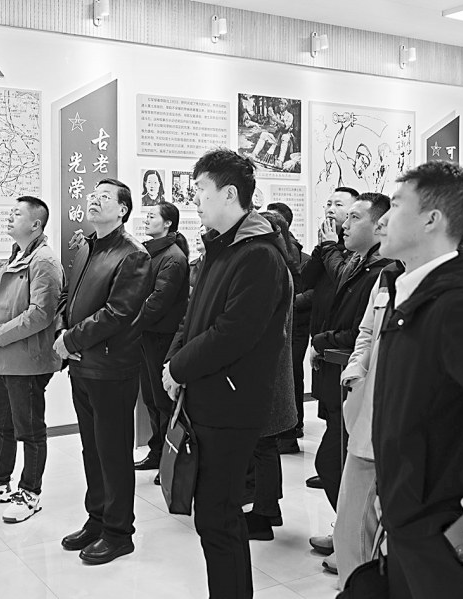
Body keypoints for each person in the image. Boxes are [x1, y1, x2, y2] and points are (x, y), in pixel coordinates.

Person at [373, 161, 463, 599]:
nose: (382, 219)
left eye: (396, 205)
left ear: (432, 220)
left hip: (453, 534)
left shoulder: (462, 307)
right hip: (412, 522)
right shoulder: (412, 295)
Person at [162, 149, 291, 598]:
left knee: (219, 518)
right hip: (207, 396)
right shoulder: (220, 247)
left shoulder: (259, 255)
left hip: (232, 403)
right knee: (213, 517)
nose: (194, 199)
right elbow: (193, 318)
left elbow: (232, 333)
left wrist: (179, 367)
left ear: (230, 193)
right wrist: (173, 362)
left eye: (201, 189)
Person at [54, 178, 152, 565]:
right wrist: (62, 332)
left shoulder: (133, 255)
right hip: (82, 367)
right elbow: (68, 297)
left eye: (104, 197)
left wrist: (71, 340)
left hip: (112, 368)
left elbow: (118, 313)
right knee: (91, 449)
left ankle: (118, 532)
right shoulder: (86, 247)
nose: (93, 200)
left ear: (123, 210)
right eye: (92, 196)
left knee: (113, 453)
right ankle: (96, 519)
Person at [0, 196, 63, 523]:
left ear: (35, 224)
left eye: (16, 214)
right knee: (0, 420)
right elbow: (5, 303)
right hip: (7, 355)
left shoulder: (45, 261)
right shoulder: (19, 253)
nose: (9, 218)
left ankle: (30, 493)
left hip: (28, 359)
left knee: (29, 429)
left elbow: (41, 314)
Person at [309, 192, 392, 569]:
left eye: (354, 216)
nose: (343, 223)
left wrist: (325, 340)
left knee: (334, 463)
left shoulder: (382, 271)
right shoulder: (363, 266)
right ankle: (348, 537)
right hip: (344, 380)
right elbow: (363, 331)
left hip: (366, 390)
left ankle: (358, 547)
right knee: (338, 463)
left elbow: (364, 332)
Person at [245, 210, 298, 542]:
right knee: (263, 445)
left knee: (263, 445)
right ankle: (267, 508)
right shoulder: (277, 262)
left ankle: (264, 514)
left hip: (266, 372)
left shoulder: (269, 265)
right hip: (270, 369)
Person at [301, 186, 357, 491]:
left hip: (339, 344)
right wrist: (322, 248)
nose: (330, 208)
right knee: (327, 408)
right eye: (328, 203)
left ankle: (336, 470)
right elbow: (306, 279)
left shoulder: (354, 253)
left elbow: (342, 279)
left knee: (339, 413)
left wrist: (331, 247)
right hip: (322, 340)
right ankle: (333, 468)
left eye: (339, 204)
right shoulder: (328, 246)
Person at [133, 202, 190, 484]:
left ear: (167, 223)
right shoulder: (150, 252)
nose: (147, 219)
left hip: (162, 337)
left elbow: (158, 302)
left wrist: (129, 320)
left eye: (152, 216)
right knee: (150, 398)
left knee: (164, 400)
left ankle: (170, 460)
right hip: (146, 334)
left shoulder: (173, 257)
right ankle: (156, 452)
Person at [267, 201, 310, 451]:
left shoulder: (287, 259)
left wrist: (294, 303)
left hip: (294, 328)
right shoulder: (275, 257)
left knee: (290, 377)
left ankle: (290, 432)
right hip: (286, 329)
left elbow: (312, 292)